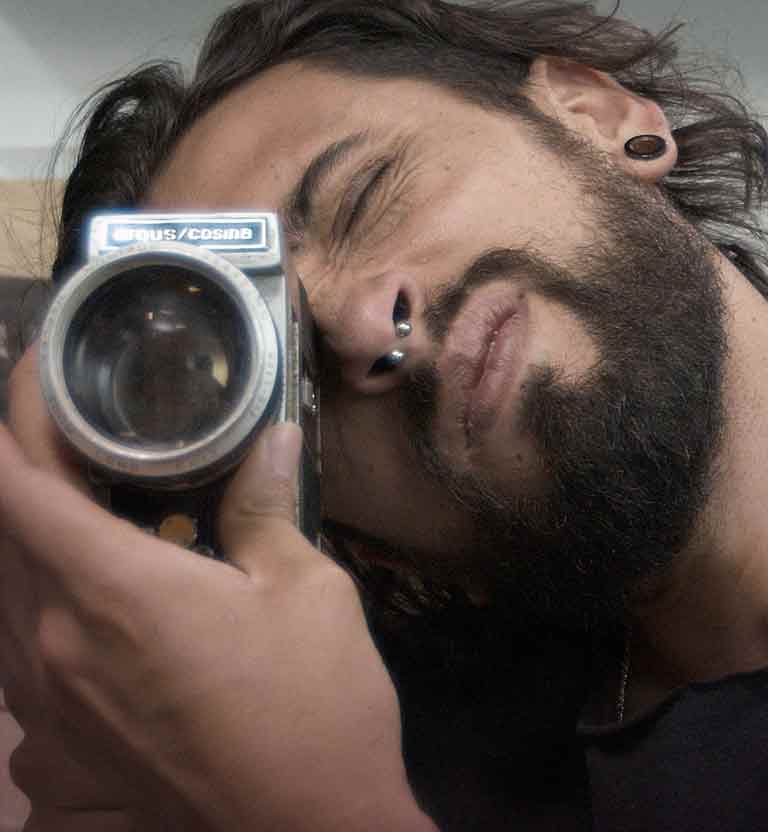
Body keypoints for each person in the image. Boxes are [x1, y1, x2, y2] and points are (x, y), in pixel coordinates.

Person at [1, 0, 767, 828]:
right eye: (296, 369)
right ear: (362, 538)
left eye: (365, 194)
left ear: (594, 114)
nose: (363, 329)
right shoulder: (402, 748)